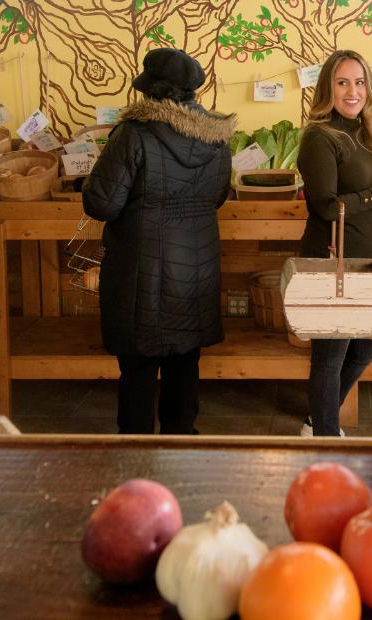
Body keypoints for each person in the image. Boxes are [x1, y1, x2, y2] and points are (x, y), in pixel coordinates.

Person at [83, 48, 235, 434]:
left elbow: (101, 203)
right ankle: (181, 442)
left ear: (150, 91)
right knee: (185, 362)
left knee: (138, 367)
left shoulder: (134, 133)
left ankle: (136, 453)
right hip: (195, 269)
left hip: (141, 272)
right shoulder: (217, 139)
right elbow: (216, 197)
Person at [295, 50, 372, 437]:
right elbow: (327, 207)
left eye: (359, 82)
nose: (352, 91)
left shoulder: (365, 131)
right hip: (332, 262)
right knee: (330, 356)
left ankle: (318, 417)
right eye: (342, 82)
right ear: (328, 87)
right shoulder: (319, 137)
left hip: (366, 261)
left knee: (365, 346)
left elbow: (363, 196)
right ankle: (325, 436)